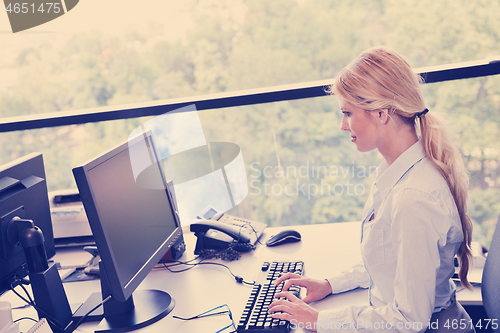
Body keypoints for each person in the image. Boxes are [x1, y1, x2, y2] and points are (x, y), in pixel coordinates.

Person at [268, 47, 475, 333]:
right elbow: (390, 262)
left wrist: (318, 321)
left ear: (380, 114)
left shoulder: (413, 199)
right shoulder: (396, 173)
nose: (343, 125)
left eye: (347, 113)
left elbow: (409, 319)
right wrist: (330, 284)